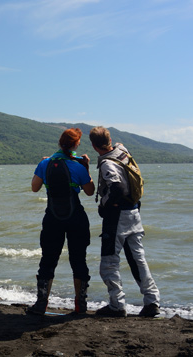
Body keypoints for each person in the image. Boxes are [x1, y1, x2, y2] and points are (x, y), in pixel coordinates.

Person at [89, 126, 161, 318]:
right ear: (110, 139)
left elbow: (117, 188)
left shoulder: (106, 164)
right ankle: (152, 301)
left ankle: (117, 304)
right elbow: (120, 146)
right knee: (138, 259)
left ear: (94, 146)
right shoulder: (123, 151)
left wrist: (104, 204)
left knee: (109, 262)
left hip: (117, 217)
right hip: (134, 213)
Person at [28, 127, 95, 315]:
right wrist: (86, 168)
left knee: (48, 260)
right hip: (76, 218)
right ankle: (80, 305)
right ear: (76, 145)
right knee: (78, 260)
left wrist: (43, 165)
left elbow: (34, 188)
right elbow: (90, 191)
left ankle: (41, 304)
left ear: (60, 143)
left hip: (52, 218)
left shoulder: (45, 163)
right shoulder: (79, 165)